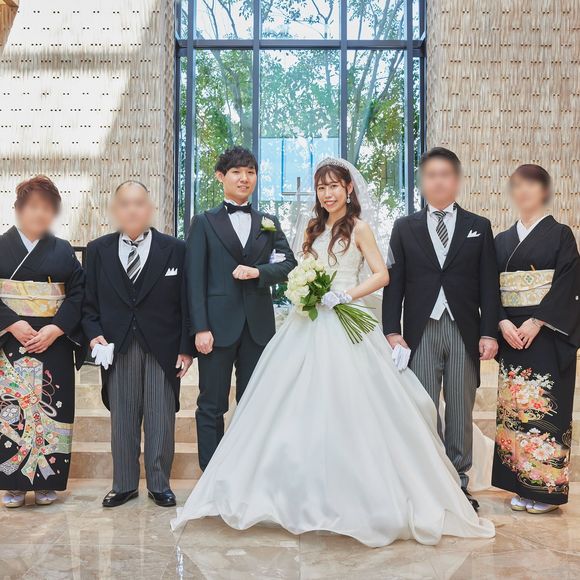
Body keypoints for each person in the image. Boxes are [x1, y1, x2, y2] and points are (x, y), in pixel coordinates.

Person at [171, 157, 495, 547]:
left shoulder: (359, 228)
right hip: (307, 323)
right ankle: (294, 493)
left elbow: (382, 274)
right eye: (321, 188)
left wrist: (345, 295)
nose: (328, 194)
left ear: (348, 188)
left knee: (350, 406)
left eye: (334, 186)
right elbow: (294, 270)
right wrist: (304, 290)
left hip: (345, 319)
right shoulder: (312, 228)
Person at [383, 147, 500, 510]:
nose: (438, 181)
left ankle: (458, 483)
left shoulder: (478, 226)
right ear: (422, 182)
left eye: (445, 174)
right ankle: (426, 482)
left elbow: (489, 285)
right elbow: (394, 283)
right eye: (431, 175)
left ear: (457, 180)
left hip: (464, 330)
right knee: (423, 407)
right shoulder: (405, 227)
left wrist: (488, 332)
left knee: (461, 408)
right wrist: (392, 330)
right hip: (421, 331)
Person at [83, 181, 194, 508]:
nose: (132, 209)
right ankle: (124, 484)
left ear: (150, 208)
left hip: (164, 345)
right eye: (125, 203)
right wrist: (93, 334)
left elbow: (186, 301)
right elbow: (88, 303)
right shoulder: (98, 250)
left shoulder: (175, 249)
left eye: (139, 203)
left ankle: (160, 484)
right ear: (115, 210)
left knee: (161, 417)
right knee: (123, 418)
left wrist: (186, 347)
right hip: (118, 346)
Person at [186, 146, 297, 470]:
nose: (244, 178)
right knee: (211, 404)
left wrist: (259, 272)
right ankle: (211, 474)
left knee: (255, 403)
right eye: (236, 172)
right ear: (221, 177)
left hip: (258, 329)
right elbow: (194, 280)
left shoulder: (268, 222)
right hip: (216, 329)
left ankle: (249, 472)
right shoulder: (204, 222)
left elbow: (288, 263)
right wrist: (200, 327)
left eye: (250, 172)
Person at [493, 164, 580, 514]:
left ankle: (546, 492)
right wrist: (501, 321)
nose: (524, 191)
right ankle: (520, 486)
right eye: (517, 186)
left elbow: (569, 283)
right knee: (515, 412)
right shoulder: (501, 240)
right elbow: (488, 287)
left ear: (544, 191)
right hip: (511, 334)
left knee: (544, 410)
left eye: (531, 185)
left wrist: (537, 320)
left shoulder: (561, 234)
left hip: (546, 334)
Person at [0, 176, 85, 508]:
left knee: (53, 406)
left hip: (54, 341)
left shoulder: (62, 250)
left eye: (48, 208)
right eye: (34, 206)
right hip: (10, 340)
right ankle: (13, 484)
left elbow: (79, 293)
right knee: (11, 410)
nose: (40, 213)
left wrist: (57, 327)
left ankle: (46, 481)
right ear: (19, 209)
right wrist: (11, 322)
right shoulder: (2, 245)